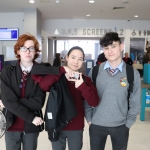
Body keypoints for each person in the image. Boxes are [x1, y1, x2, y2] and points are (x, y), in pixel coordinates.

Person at [31, 46, 99, 150]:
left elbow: (94, 102)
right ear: (67, 58)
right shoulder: (57, 77)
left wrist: (81, 85)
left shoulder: (86, 80)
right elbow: (44, 86)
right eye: (73, 57)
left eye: (80, 59)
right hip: (57, 124)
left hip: (76, 127)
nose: (76, 61)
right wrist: (61, 70)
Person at [0, 33, 59, 150]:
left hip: (31, 127)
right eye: (23, 48)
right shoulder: (7, 71)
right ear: (17, 51)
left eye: (31, 48)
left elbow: (38, 102)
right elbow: (8, 100)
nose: (27, 52)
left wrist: (11, 103)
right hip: (12, 124)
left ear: (35, 52)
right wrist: (31, 117)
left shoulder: (41, 73)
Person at [85, 32, 141, 150]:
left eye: (113, 46)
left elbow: (135, 101)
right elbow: (87, 96)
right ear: (103, 50)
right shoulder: (95, 72)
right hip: (96, 124)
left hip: (121, 125)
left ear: (121, 47)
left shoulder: (131, 73)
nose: (110, 51)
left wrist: (128, 124)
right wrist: (90, 119)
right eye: (106, 48)